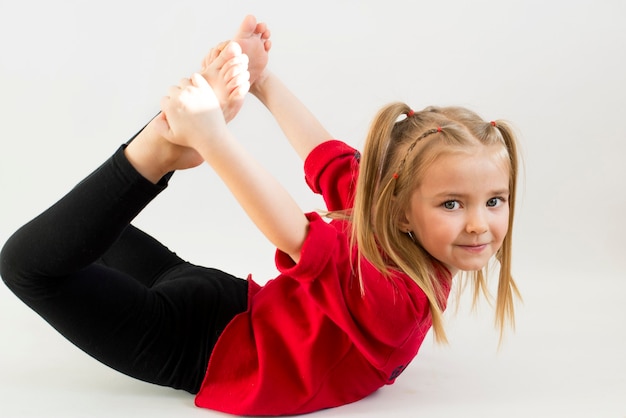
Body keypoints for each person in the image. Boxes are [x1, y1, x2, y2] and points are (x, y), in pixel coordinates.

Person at [0, 15, 522, 417]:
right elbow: (314, 183)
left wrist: (217, 129)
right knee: (29, 265)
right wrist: (259, 85)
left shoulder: (395, 249)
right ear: (400, 204)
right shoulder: (400, 289)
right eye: (453, 203)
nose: (479, 224)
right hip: (207, 343)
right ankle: (163, 145)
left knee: (79, 240)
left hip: (219, 314)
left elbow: (322, 175)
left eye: (493, 201)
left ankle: (165, 141)